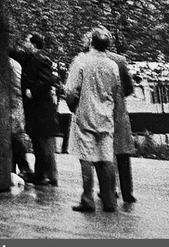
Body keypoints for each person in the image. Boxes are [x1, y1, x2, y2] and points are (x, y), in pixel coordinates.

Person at [65, 26, 121, 213]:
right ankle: (109, 200)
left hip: (86, 115)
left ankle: (88, 199)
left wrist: (73, 107)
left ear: (91, 42)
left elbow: (71, 90)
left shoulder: (81, 61)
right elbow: (115, 89)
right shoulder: (112, 65)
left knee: (86, 158)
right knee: (106, 159)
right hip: (105, 117)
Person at [13, 34, 59, 185]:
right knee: (39, 142)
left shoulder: (40, 60)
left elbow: (49, 80)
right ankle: (42, 174)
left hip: (41, 109)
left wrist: (32, 90)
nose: (24, 43)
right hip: (36, 109)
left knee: (41, 143)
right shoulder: (30, 58)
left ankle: (43, 175)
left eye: (27, 41)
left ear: (33, 44)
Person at [107, 44, 136, 204]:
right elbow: (129, 88)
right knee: (123, 153)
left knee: (104, 153)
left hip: (100, 113)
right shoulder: (120, 60)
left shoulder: (89, 61)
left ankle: (109, 189)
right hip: (119, 112)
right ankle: (127, 192)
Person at [8, 54, 31, 177]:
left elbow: (16, 87)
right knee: (14, 137)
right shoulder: (14, 64)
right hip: (15, 103)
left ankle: (24, 168)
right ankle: (19, 168)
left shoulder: (10, 64)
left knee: (15, 137)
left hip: (13, 103)